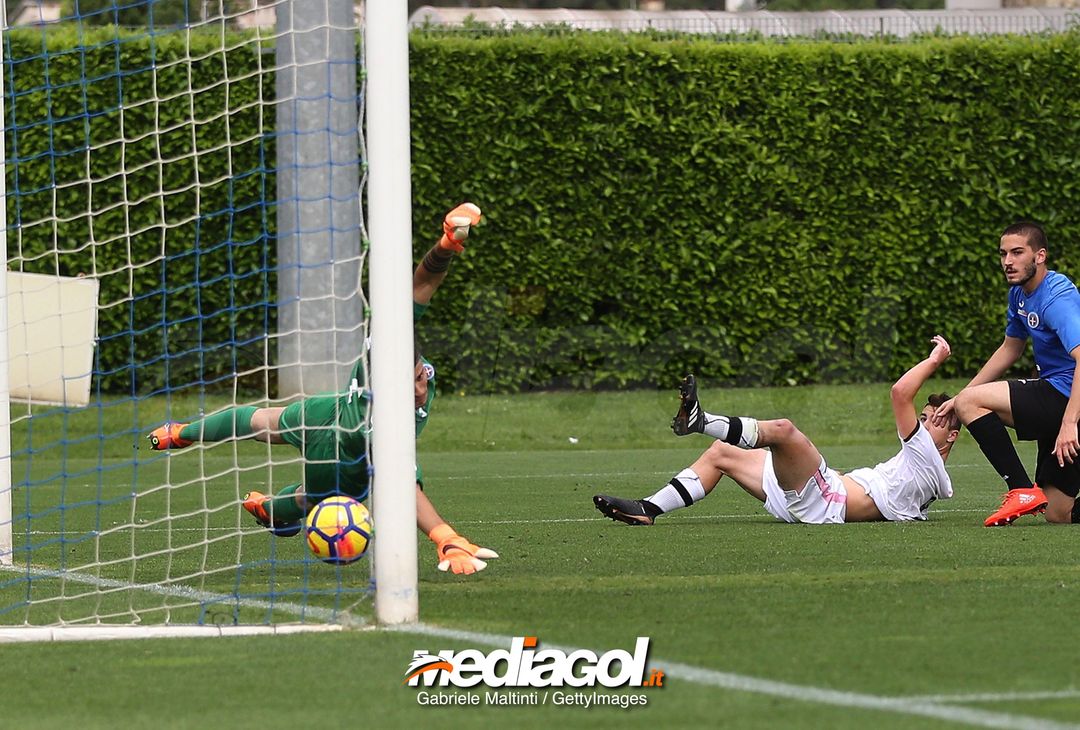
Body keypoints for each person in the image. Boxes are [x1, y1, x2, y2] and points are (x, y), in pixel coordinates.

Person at [147, 203, 498, 574]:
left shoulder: (393, 342)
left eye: (417, 378)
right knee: (298, 467)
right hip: (336, 443)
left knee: (286, 460)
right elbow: (403, 486)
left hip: (330, 413)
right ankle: (184, 435)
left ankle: (253, 495)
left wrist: (446, 245)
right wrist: (446, 538)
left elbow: (420, 286)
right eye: (401, 387)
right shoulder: (378, 424)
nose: (415, 390)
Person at [594, 336, 959, 526]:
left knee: (783, 431)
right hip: (815, 498)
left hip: (825, 502)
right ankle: (648, 508)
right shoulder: (928, 463)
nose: (926, 423)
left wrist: (935, 360)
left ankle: (700, 422)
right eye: (926, 416)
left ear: (953, 437)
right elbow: (969, 402)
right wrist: (959, 402)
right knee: (721, 454)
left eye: (938, 419)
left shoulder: (927, 459)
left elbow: (899, 393)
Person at [932, 221, 1080, 526]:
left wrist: (1069, 423)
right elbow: (1011, 348)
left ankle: (1021, 490)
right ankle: (1029, 492)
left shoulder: (1057, 298)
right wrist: (961, 397)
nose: (1008, 261)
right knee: (1058, 512)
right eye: (1003, 254)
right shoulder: (1019, 294)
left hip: (1068, 398)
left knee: (971, 402)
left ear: (1040, 256)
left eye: (1017, 252)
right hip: (1058, 394)